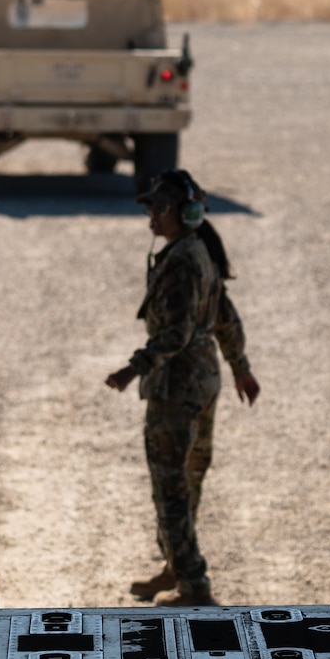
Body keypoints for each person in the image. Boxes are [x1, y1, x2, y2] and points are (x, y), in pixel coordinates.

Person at [105, 169, 259, 607]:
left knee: (171, 485)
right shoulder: (199, 251)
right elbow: (225, 315)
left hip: (177, 387)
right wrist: (240, 368)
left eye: (156, 207)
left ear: (177, 212)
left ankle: (194, 585)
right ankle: (176, 566)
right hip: (202, 381)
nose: (150, 215)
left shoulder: (184, 260)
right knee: (187, 481)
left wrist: (133, 369)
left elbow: (177, 333)